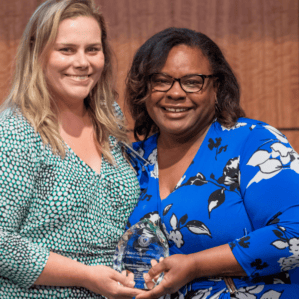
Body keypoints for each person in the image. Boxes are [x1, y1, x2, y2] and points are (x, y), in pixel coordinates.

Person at [124, 27, 299, 299]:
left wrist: (195, 266)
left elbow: (294, 234)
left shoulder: (253, 142)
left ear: (216, 87)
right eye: (161, 80)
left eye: (192, 81)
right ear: (143, 89)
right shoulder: (130, 161)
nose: (175, 93)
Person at [0, 0, 146, 298]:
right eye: (66, 49)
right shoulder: (15, 130)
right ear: (37, 53)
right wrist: (86, 276)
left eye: (92, 49)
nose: (82, 62)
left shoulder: (110, 116)